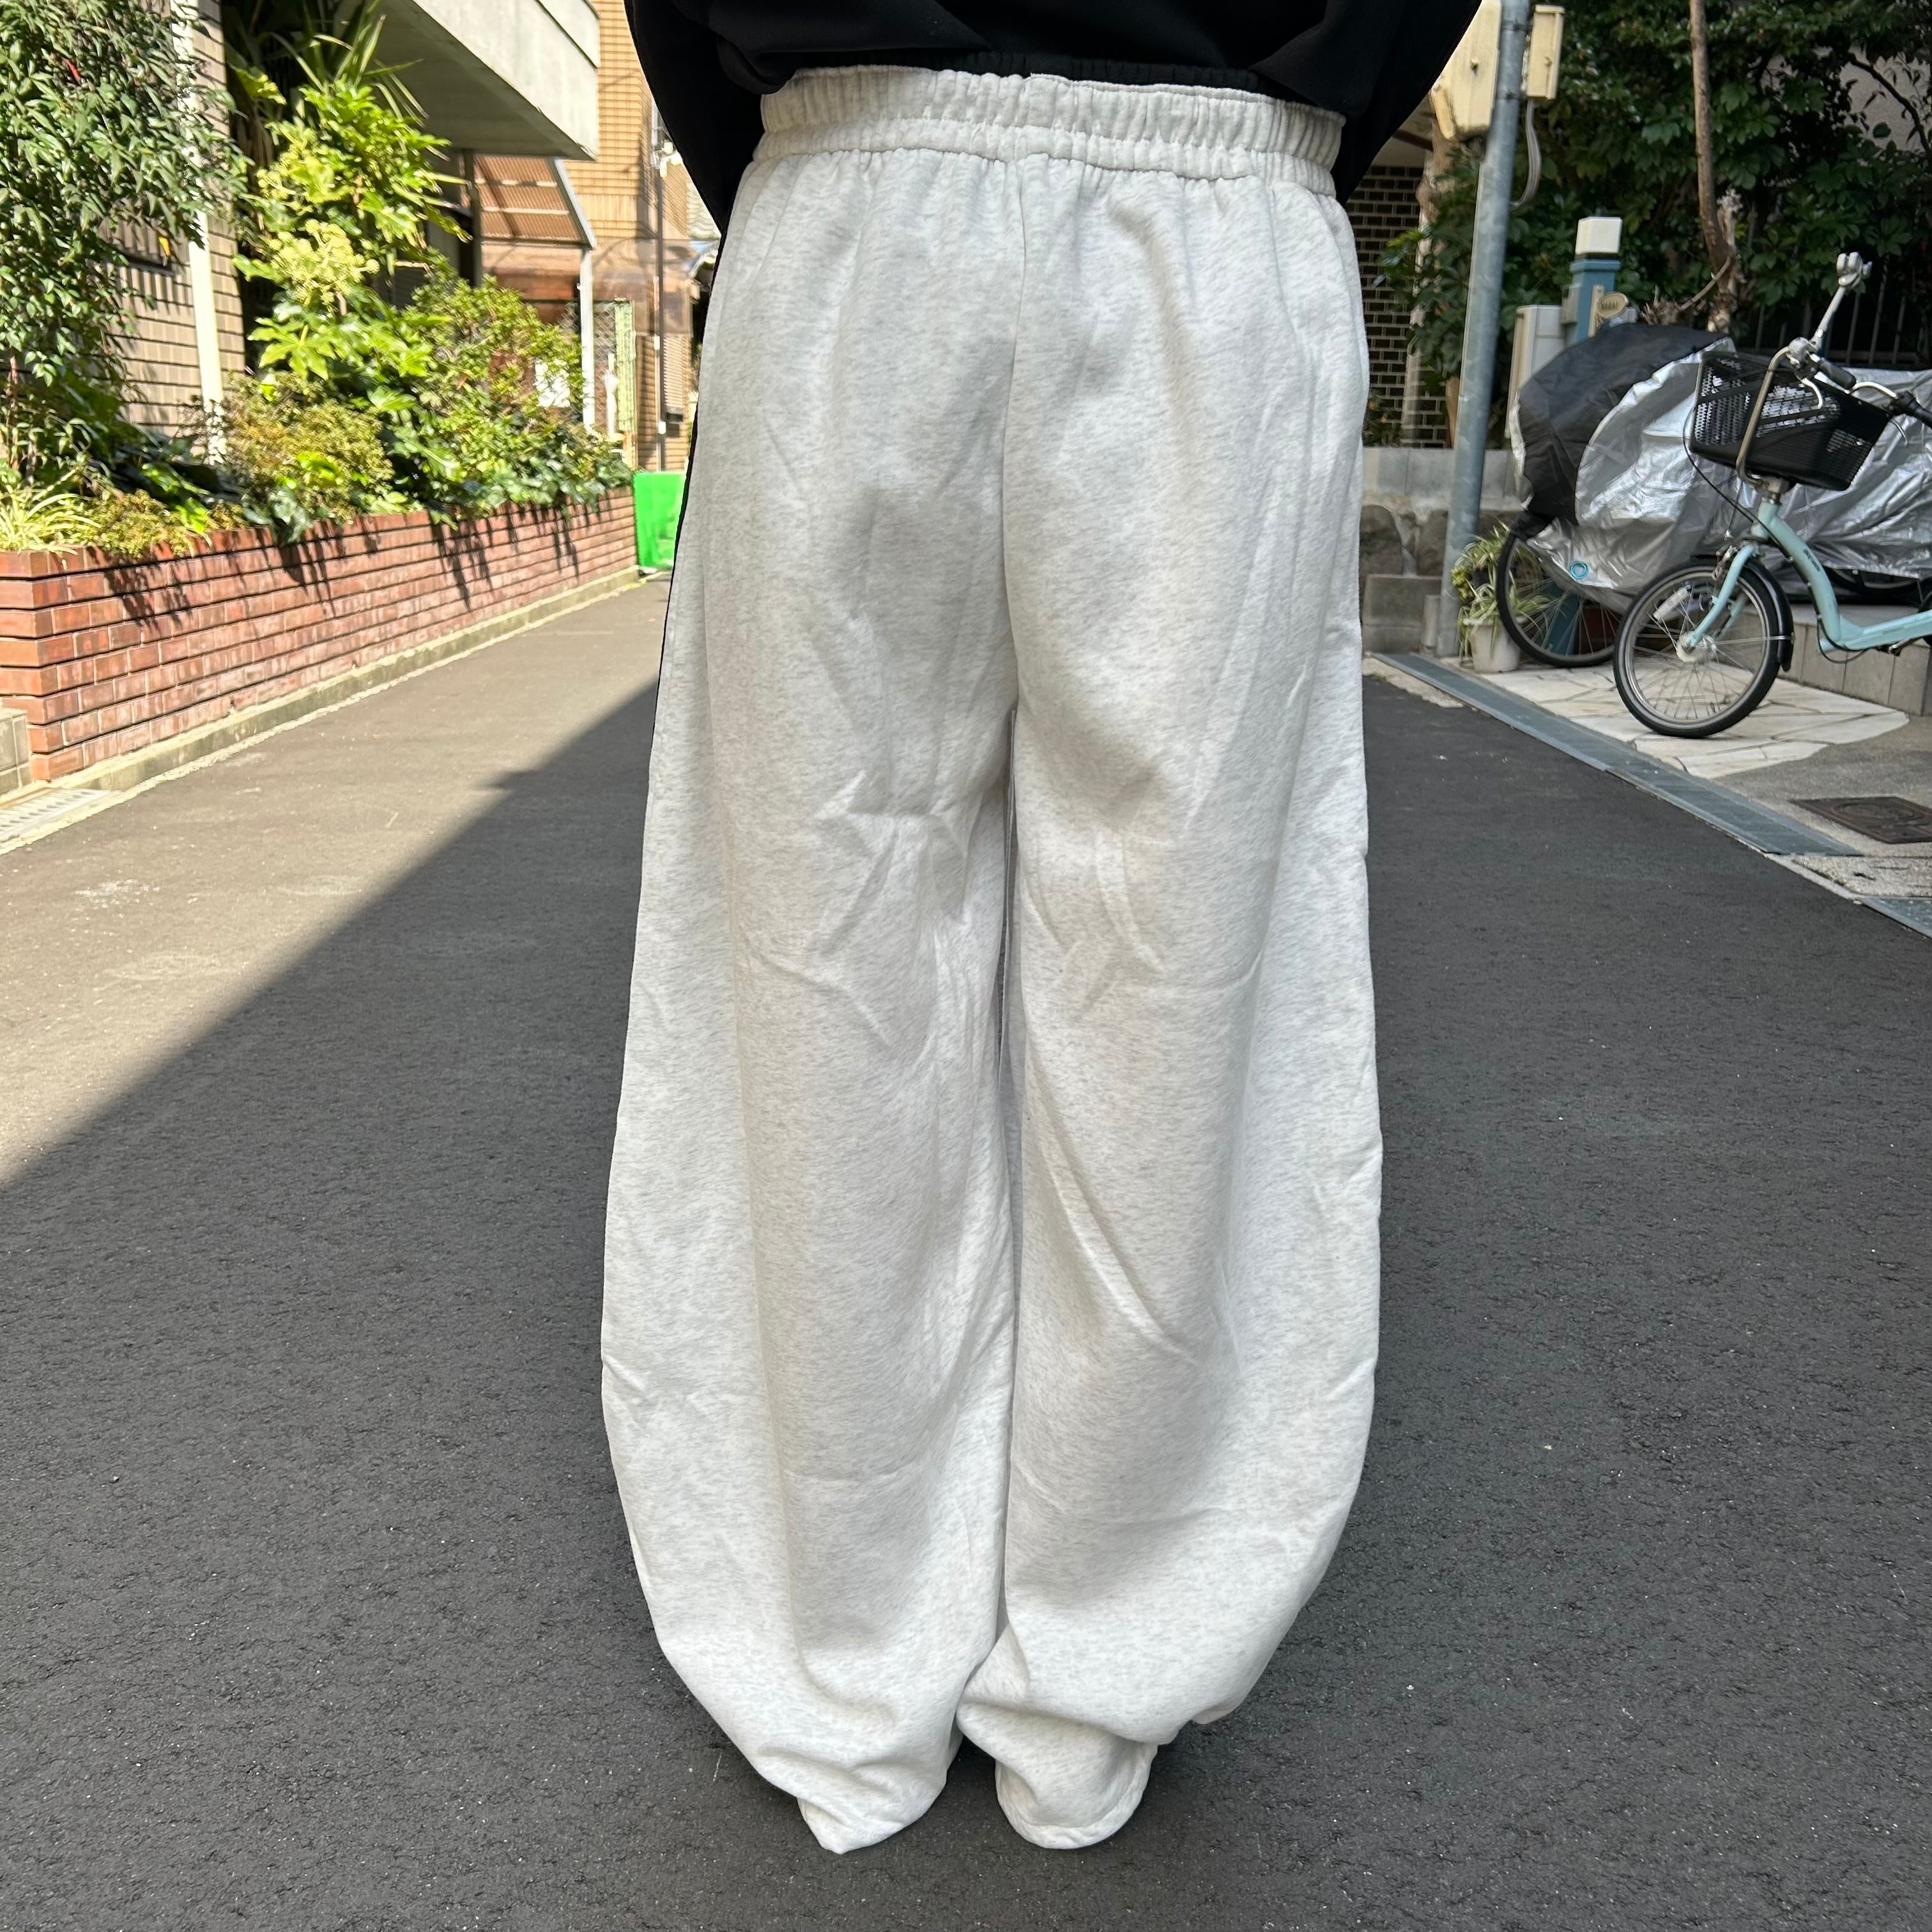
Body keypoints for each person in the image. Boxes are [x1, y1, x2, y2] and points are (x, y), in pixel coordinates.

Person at [604, 0, 1477, 1855]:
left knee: (816, 968)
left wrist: (800, 148)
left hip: (851, 187)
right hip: (1222, 203)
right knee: (1190, 991)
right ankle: (1105, 1668)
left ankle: (840, 1660)